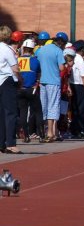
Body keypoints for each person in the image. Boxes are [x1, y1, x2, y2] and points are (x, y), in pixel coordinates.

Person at [35, 32, 66, 142]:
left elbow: (36, 64)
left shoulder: (40, 50)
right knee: (53, 105)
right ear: (60, 43)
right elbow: (62, 68)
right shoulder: (58, 51)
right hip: (53, 81)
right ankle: (50, 132)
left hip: (42, 80)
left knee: (44, 105)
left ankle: (42, 131)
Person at [0, 25, 23, 154]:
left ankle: (1, 143)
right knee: (11, 113)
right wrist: (20, 79)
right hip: (8, 81)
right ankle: (11, 144)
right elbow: (15, 68)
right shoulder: (7, 50)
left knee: (1, 114)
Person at [17, 38, 44, 143]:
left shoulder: (18, 60)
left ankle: (26, 136)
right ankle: (41, 136)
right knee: (38, 112)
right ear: (32, 49)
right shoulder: (35, 60)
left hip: (20, 89)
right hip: (31, 89)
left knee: (23, 112)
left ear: (23, 48)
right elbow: (39, 74)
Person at [69, 40, 84, 138]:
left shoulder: (72, 57)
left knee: (75, 109)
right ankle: (80, 130)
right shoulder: (80, 60)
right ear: (82, 50)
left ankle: (74, 130)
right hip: (80, 86)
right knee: (82, 109)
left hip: (73, 85)